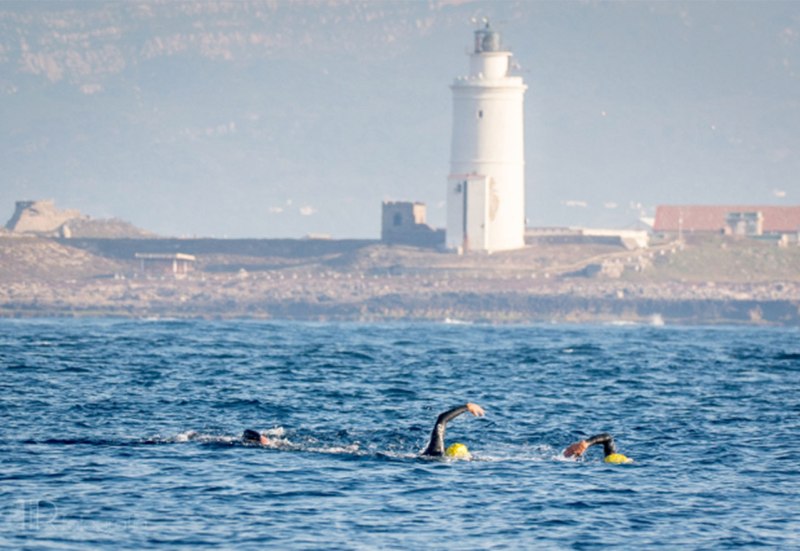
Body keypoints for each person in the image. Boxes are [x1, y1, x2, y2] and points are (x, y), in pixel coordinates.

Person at [563, 432, 632, 463]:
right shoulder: (613, 459)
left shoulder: (612, 460)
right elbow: (608, 438)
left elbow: (608, 438)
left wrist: (587, 443)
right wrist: (586, 443)